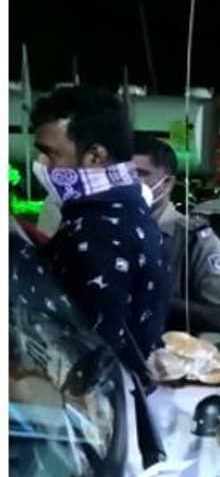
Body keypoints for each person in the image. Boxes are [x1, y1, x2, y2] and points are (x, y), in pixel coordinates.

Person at [30, 86, 170, 381]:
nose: (43, 167)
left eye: (51, 154)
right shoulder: (127, 209)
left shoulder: (98, 231)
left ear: (95, 156)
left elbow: (90, 357)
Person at [133, 134, 220, 337]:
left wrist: (153, 297)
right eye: (123, 175)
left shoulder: (194, 239)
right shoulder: (108, 228)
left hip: (168, 359)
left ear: (167, 183)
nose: (130, 183)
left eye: (141, 174)